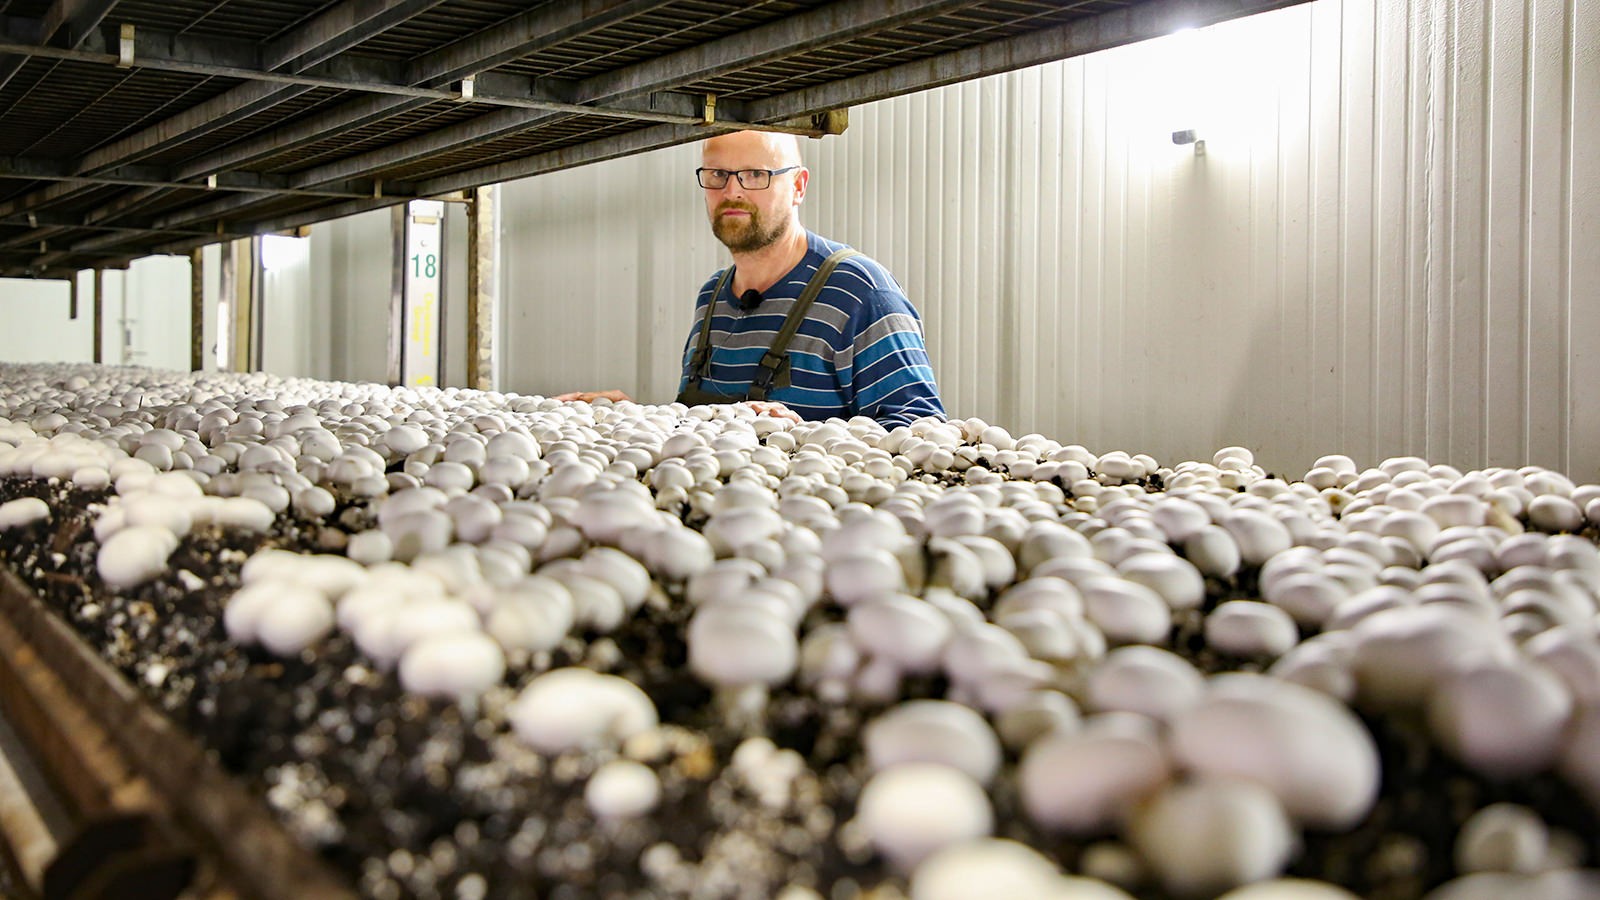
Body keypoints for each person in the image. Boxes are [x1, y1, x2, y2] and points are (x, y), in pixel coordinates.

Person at [560, 130, 945, 428]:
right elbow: (702, 431)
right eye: (717, 175)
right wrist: (632, 419)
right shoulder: (713, 296)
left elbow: (922, 434)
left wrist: (795, 437)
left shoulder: (858, 292)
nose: (733, 192)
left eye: (755, 175)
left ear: (798, 186)